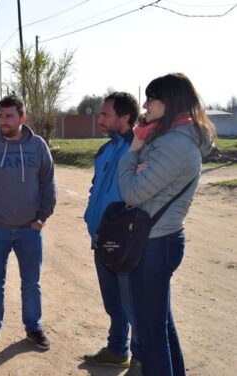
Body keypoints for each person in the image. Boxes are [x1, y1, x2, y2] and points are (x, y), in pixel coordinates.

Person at [118, 73, 215, 376]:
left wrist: (133, 152)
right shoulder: (170, 136)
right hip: (157, 240)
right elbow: (140, 184)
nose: (144, 105)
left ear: (169, 102)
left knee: (150, 333)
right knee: (161, 323)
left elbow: (131, 191)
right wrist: (140, 163)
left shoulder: (175, 144)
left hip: (156, 243)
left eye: (150, 99)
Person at [0, 95, 56, 351]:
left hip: (30, 229)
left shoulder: (38, 146)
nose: (3, 121)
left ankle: (34, 328)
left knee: (32, 283)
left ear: (22, 118)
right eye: (1, 115)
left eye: (9, 116)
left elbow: (49, 183)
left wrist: (41, 218)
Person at [83, 92, 138, 369]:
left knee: (134, 305)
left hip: (127, 241)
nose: (100, 119)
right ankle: (118, 350)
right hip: (101, 238)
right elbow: (96, 187)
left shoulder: (139, 149)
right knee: (113, 302)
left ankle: (141, 360)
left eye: (105, 114)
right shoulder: (105, 150)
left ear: (125, 117)